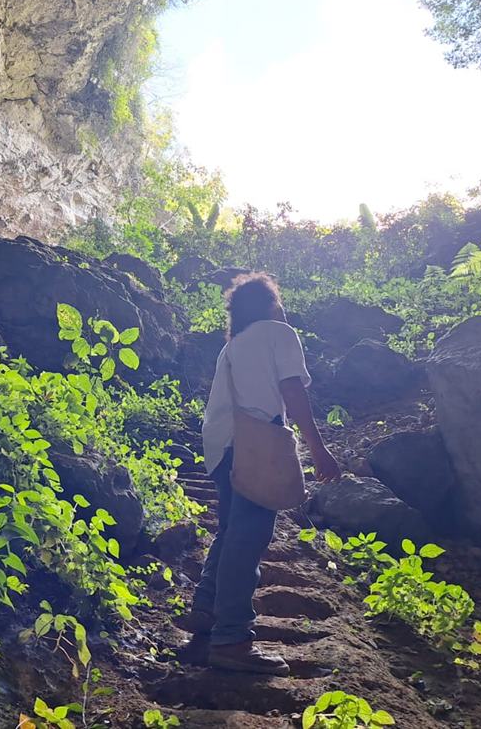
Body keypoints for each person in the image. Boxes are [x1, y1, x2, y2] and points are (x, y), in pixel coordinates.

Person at [182, 272, 340, 676]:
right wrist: (318, 449)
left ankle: (206, 610)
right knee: (249, 537)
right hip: (253, 444)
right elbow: (292, 391)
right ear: (271, 303)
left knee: (232, 530)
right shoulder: (278, 332)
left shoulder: (233, 346)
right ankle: (232, 639)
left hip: (221, 444)